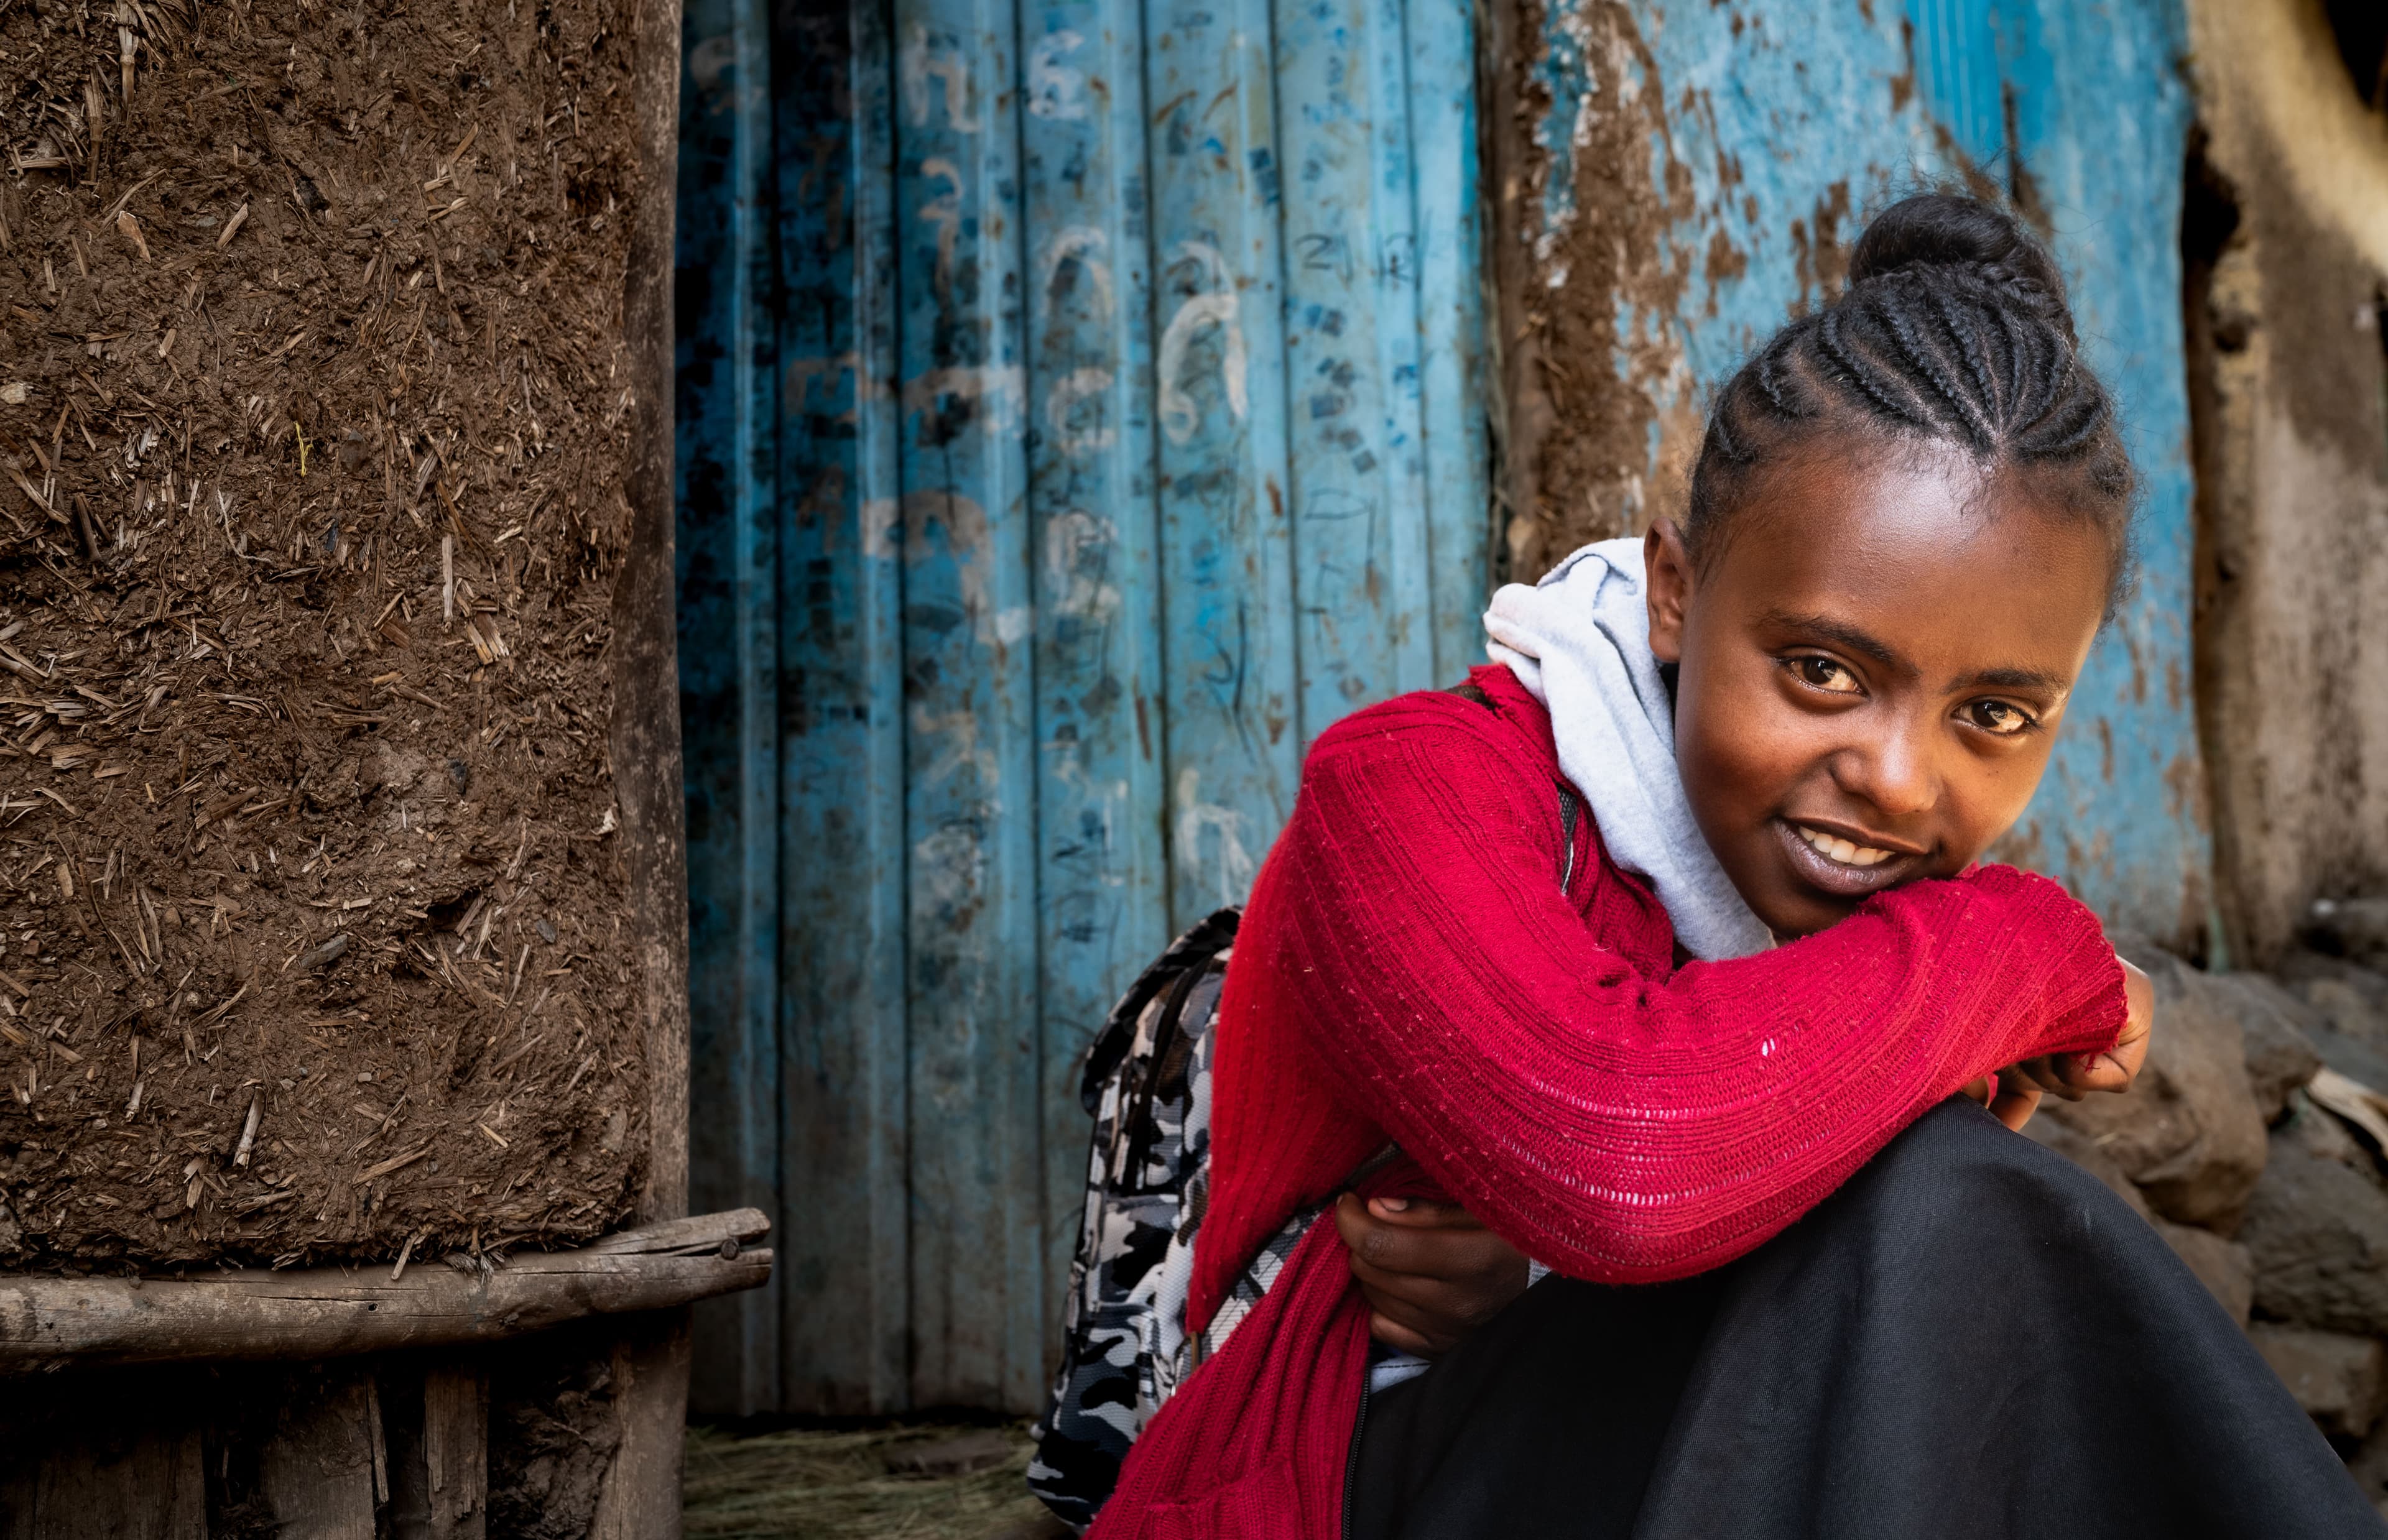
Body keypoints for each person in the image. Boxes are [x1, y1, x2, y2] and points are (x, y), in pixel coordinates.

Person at [1083, 193, 2384, 1538]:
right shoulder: (1410, 785)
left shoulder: (1850, 897)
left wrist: (1531, 1281)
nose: (1898, 777)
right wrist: (2024, 945)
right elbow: (1627, 1155)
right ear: (1674, 593)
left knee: (1937, 1205)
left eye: (1993, 715)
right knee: (1929, 1197)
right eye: (1823, 670)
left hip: (1661, 1453)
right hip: (1328, 1486)